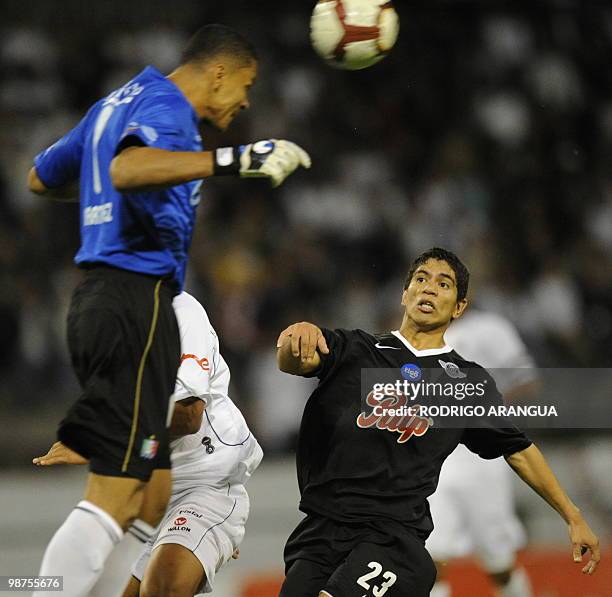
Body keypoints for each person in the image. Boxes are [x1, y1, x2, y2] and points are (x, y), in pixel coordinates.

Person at [27, 23, 308, 596]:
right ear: (220, 71)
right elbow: (129, 170)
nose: (246, 100)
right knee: (114, 496)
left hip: (93, 301)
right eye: (246, 85)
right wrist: (235, 160)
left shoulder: (114, 105)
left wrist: (105, 192)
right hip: (138, 295)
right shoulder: (170, 108)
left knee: (141, 492)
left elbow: (42, 177)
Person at [275, 247, 600, 597]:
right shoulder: (355, 349)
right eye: (421, 279)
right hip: (319, 530)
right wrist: (297, 337)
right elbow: (295, 361)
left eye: (443, 284)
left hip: (390, 539)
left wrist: (573, 515)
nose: (429, 288)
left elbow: (519, 450)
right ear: (404, 294)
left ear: (459, 306)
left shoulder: (464, 383)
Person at [34, 291, 263, 597]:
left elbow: (188, 416)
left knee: (164, 587)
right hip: (148, 494)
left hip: (207, 481)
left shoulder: (181, 312)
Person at [428, 309, 539, 597]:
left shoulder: (490, 327)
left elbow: (526, 381)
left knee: (499, 564)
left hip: (483, 460)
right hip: (436, 462)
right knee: (429, 560)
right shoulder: (415, 336)